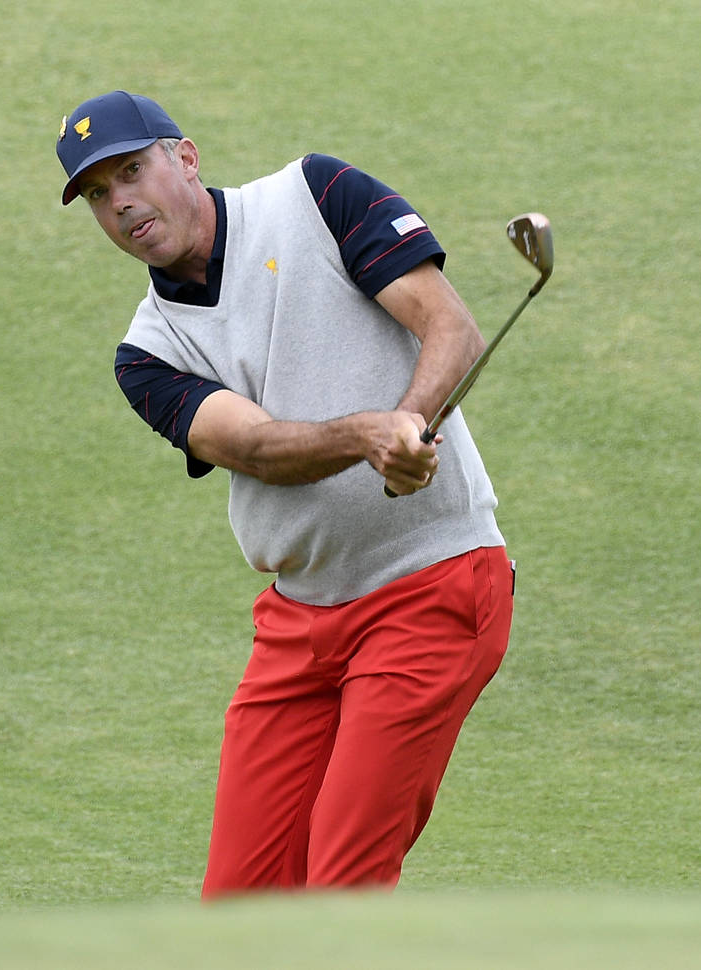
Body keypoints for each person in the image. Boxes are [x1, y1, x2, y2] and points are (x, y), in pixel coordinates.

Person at [56, 90, 515, 898]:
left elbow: (453, 328)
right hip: (300, 622)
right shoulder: (147, 353)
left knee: (343, 884)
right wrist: (369, 435)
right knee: (239, 902)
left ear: (185, 158)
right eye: (98, 193)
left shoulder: (318, 194)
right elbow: (259, 449)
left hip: (432, 586)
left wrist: (410, 421)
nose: (121, 201)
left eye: (132, 171)